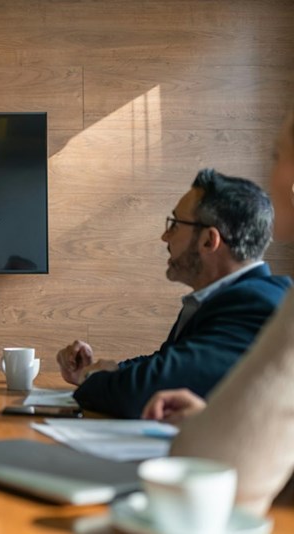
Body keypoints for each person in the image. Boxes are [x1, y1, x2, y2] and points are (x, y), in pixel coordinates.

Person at [142, 108, 294, 515]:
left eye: (279, 156)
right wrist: (210, 417)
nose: (276, 174)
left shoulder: (264, 302)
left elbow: (231, 471)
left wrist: (207, 430)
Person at [56, 169, 291, 418]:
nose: (164, 236)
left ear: (209, 241)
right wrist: (94, 370)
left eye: (175, 224)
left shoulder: (253, 305)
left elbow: (142, 392)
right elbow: (167, 364)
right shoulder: (226, 296)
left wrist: (91, 377)